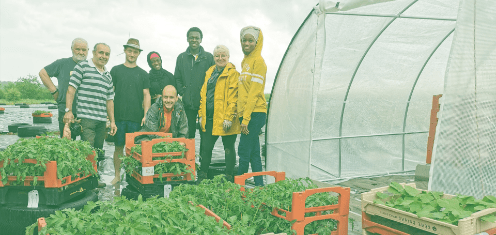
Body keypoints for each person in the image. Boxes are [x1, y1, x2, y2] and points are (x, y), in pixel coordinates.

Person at [63, 43, 117, 188]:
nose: (103, 56)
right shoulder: (82, 67)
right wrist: (68, 110)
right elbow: (71, 89)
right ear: (93, 53)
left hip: (101, 120)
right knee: (88, 150)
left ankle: (93, 178)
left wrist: (112, 121)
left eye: (107, 54)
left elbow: (109, 100)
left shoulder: (107, 75)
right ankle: (87, 180)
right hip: (86, 118)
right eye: (101, 53)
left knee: (98, 151)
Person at [110, 38, 151, 185]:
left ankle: (131, 176)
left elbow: (147, 94)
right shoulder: (115, 70)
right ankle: (117, 175)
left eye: (135, 51)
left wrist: (146, 115)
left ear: (138, 53)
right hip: (119, 116)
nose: (132, 54)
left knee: (133, 150)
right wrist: (110, 118)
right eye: (129, 51)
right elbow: (109, 94)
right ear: (125, 51)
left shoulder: (143, 73)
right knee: (118, 147)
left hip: (136, 117)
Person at [197, 45, 240, 183]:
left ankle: (229, 176)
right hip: (210, 118)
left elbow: (234, 98)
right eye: (217, 56)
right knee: (206, 148)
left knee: (228, 148)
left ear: (228, 57)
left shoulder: (233, 74)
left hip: (226, 120)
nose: (220, 58)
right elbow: (203, 96)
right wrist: (201, 114)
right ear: (213, 57)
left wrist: (229, 118)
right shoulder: (209, 72)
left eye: (223, 55)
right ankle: (202, 176)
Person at [39, 38, 88, 140]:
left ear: (88, 51)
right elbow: (43, 73)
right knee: (67, 143)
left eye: (84, 50)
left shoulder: (90, 66)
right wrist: (54, 91)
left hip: (86, 111)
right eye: (77, 49)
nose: (81, 52)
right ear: (71, 49)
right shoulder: (62, 63)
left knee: (88, 145)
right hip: (66, 110)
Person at [237, 26, 267, 186]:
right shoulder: (246, 62)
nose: (246, 43)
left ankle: (237, 186)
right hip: (247, 114)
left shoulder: (259, 62)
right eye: (244, 40)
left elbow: (254, 94)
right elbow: (243, 93)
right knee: (254, 152)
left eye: (250, 40)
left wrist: (246, 119)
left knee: (243, 150)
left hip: (255, 114)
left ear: (257, 42)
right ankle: (260, 184)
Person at [174, 27, 214, 139]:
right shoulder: (181, 57)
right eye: (191, 37)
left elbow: (214, 79)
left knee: (205, 136)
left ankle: (202, 157)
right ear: (187, 39)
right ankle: (190, 157)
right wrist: (183, 92)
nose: (194, 40)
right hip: (188, 104)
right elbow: (177, 78)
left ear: (201, 39)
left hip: (205, 105)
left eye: (197, 38)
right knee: (188, 135)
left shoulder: (209, 57)